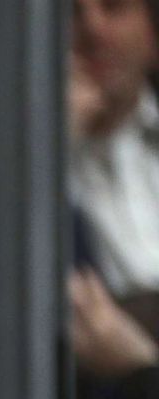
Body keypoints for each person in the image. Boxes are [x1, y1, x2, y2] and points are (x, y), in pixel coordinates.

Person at [69, 0, 159, 303]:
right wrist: (55, 144)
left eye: (113, 6)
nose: (93, 29)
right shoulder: (19, 172)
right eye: (70, 12)